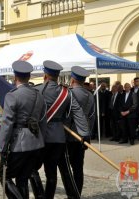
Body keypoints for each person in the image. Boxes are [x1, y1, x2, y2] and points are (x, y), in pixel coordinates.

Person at [36, 60, 89, 199]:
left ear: (45, 75)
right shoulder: (66, 92)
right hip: (59, 138)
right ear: (58, 75)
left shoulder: (38, 90)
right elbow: (78, 113)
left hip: (40, 137)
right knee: (51, 173)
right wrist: (85, 134)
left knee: (32, 169)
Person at [0, 60, 46, 199]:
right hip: (36, 141)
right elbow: (43, 121)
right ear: (29, 77)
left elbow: (7, 123)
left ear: (15, 76)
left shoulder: (12, 95)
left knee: (4, 176)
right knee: (23, 178)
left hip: (19, 143)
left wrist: (2, 147)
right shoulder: (38, 95)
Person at [58, 66, 95, 199]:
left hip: (68, 136)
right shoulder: (90, 95)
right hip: (82, 137)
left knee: (67, 169)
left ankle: (71, 195)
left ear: (73, 79)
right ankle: (77, 194)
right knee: (78, 169)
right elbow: (91, 117)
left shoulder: (68, 93)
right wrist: (87, 135)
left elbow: (63, 114)